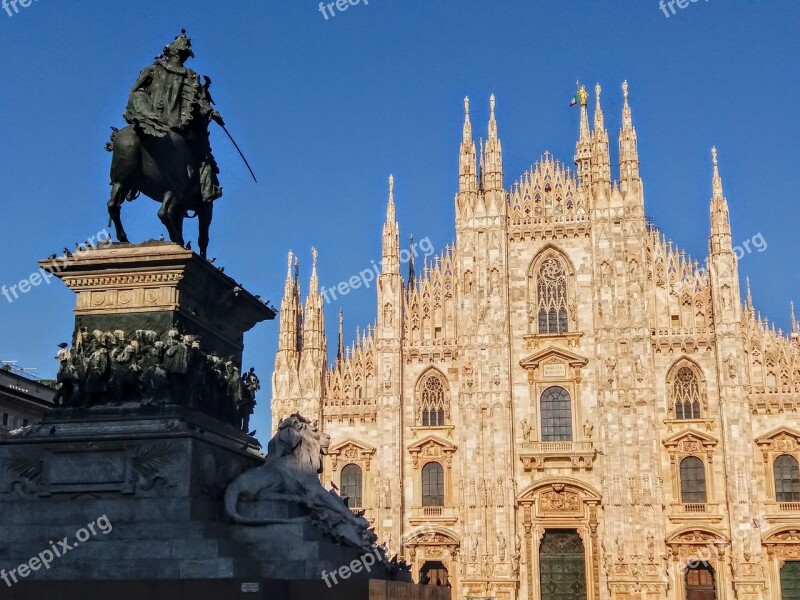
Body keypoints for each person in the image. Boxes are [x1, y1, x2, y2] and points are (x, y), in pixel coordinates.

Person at [124, 30, 223, 202]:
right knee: (204, 157)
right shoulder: (183, 76)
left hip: (156, 120)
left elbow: (137, 91)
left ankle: (129, 182)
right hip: (171, 125)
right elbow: (200, 103)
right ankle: (208, 191)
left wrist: (210, 111)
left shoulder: (162, 71)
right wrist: (210, 112)